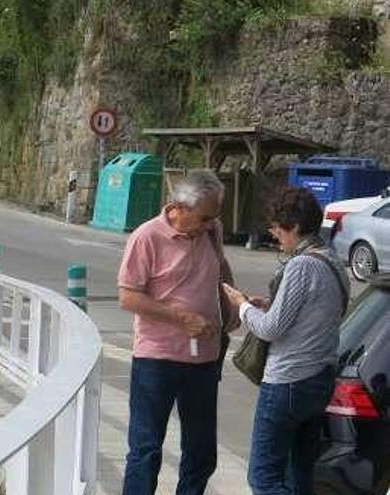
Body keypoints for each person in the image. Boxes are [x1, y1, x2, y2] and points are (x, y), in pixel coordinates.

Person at [223, 187, 348, 495]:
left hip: (288, 381)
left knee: (263, 478)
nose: (274, 235)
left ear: (293, 227)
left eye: (277, 229)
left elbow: (270, 329)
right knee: (299, 474)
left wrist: (242, 305)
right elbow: (314, 312)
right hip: (320, 379)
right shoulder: (333, 262)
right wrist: (268, 303)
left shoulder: (301, 265)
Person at [119, 170, 234, 495]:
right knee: (146, 450)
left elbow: (221, 269)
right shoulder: (147, 237)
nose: (210, 223)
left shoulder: (212, 230)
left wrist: (234, 304)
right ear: (179, 207)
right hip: (157, 358)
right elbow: (128, 296)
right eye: (204, 216)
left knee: (201, 454)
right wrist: (180, 318)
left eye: (215, 216)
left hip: (204, 359)